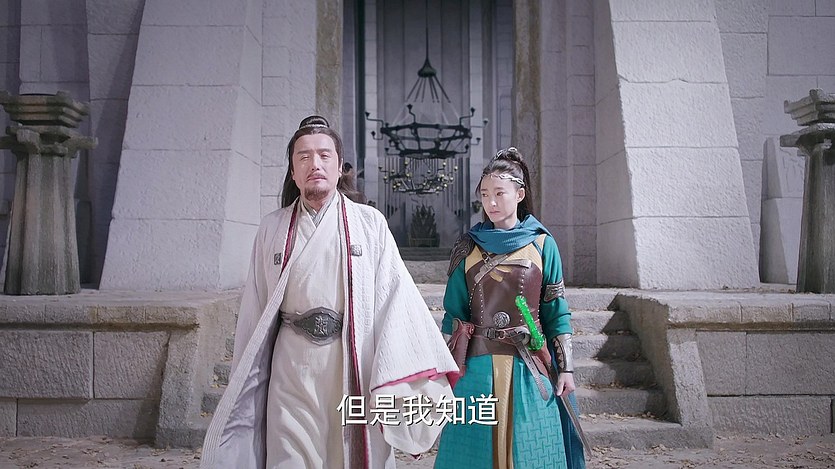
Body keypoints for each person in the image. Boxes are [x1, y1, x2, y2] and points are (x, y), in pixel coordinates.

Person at [201, 116, 458, 468]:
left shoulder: (369, 223)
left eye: (324, 155)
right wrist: (243, 380)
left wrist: (402, 376)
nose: (315, 164)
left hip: (351, 362)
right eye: (304, 157)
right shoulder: (272, 228)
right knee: (289, 458)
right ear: (293, 172)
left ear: (339, 168)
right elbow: (254, 312)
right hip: (291, 367)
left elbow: (397, 300)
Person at [434, 147, 586, 468]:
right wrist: (444, 370)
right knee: (473, 455)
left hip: (530, 367)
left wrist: (567, 369)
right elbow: (454, 315)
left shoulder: (542, 244)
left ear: (519, 194)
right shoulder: (467, 247)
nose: (491, 202)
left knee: (531, 453)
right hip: (477, 367)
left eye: (499, 193)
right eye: (485, 194)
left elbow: (556, 311)